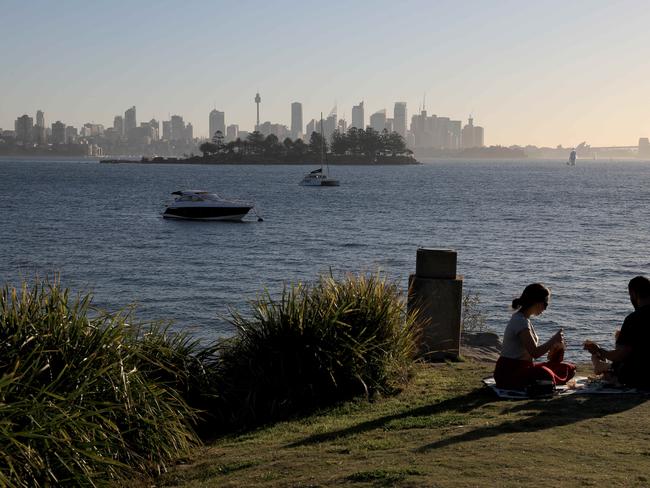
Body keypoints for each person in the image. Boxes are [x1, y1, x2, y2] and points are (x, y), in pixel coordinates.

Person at [494, 283, 575, 390]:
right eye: (545, 304)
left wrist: (556, 347)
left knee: (568, 368)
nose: (545, 309)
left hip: (524, 368)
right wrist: (553, 340)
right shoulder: (520, 321)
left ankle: (545, 380)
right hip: (509, 372)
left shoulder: (524, 319)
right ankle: (545, 381)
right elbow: (535, 352)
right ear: (536, 302)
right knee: (544, 373)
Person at [584, 276, 650, 389]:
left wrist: (598, 350)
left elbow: (621, 355)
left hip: (640, 376)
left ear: (633, 294)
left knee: (620, 365)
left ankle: (603, 368)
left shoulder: (633, 319)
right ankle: (603, 367)